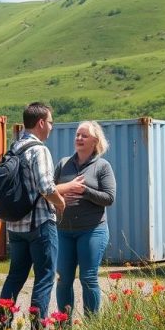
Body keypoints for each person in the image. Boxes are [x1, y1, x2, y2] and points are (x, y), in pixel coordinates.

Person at [0, 102, 66, 330]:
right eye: (50, 122)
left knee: (15, 277)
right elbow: (46, 186)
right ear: (40, 123)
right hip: (39, 225)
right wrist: (60, 203)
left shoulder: (13, 148)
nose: (51, 126)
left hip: (15, 226)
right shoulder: (39, 150)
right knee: (45, 277)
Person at [54, 121, 116, 318]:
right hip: (64, 230)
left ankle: (92, 327)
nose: (79, 139)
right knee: (63, 279)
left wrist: (85, 191)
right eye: (77, 135)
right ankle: (64, 325)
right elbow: (51, 191)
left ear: (95, 141)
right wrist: (60, 197)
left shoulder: (102, 166)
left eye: (84, 136)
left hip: (92, 230)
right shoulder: (63, 164)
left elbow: (109, 198)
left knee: (88, 278)